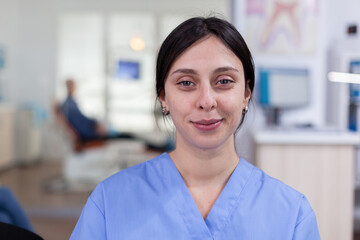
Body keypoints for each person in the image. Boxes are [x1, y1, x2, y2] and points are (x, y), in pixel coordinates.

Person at [70, 17, 320, 239]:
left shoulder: (291, 214)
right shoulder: (110, 203)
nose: (206, 101)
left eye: (224, 81)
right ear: (163, 97)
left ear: (245, 94)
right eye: (186, 82)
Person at [60, 78, 173, 151]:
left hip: (93, 133)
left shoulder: (70, 104)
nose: (74, 88)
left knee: (128, 135)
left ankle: (160, 147)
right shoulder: (69, 105)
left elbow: (84, 120)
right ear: (69, 87)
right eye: (72, 85)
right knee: (128, 137)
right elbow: (82, 124)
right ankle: (160, 148)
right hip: (92, 137)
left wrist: (96, 124)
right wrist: (95, 127)